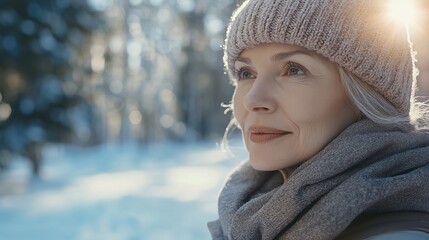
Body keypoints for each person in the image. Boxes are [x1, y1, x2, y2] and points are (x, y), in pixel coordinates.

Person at [208, 0, 429, 239]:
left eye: (293, 69)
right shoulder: (252, 207)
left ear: (366, 95)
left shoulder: (398, 232)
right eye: (246, 73)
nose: (253, 99)